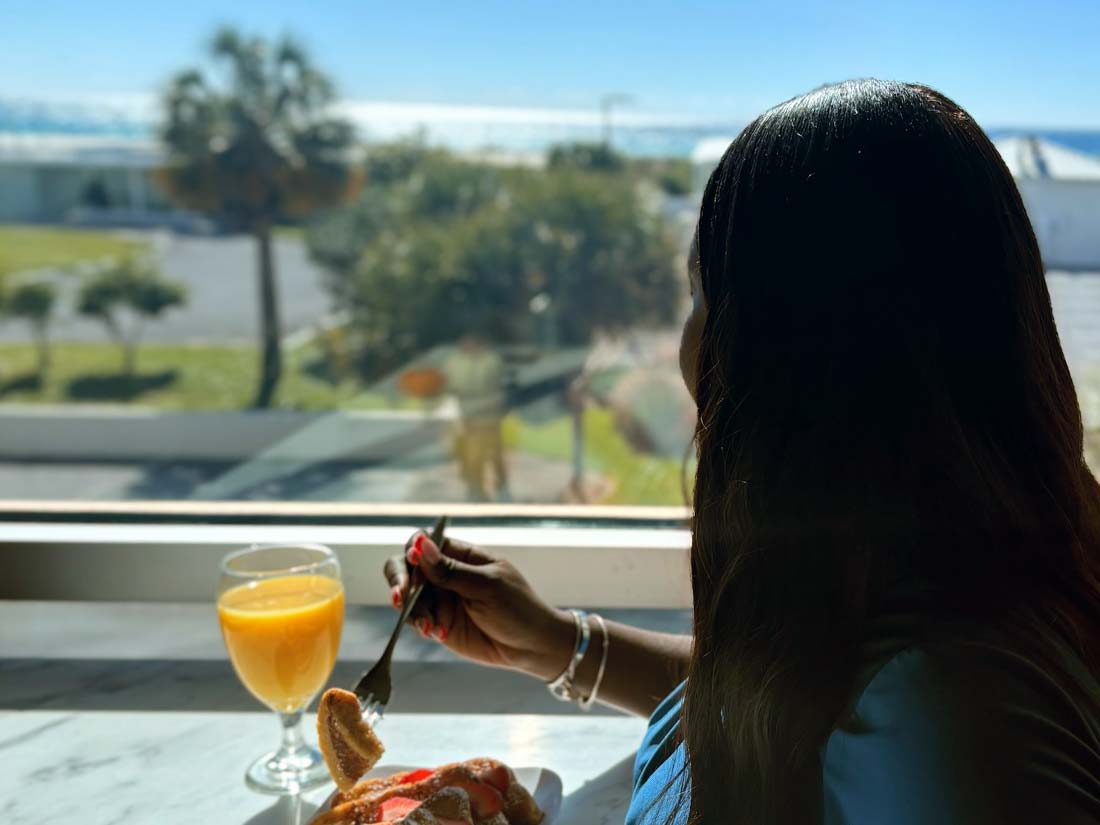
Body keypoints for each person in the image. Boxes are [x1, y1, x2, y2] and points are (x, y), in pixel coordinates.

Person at [385, 79, 1100, 824]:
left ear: (794, 355)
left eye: (700, 294)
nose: (686, 344)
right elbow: (792, 700)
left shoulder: (948, 741)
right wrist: (559, 642)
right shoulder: (954, 574)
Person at [443, 334, 511, 502]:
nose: (468, 344)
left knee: (495, 455)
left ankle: (501, 488)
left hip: (490, 418)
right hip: (467, 418)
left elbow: (497, 385)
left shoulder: (491, 361)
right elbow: (450, 385)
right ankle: (476, 489)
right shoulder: (455, 362)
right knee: (471, 457)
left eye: (472, 341)